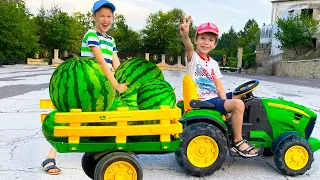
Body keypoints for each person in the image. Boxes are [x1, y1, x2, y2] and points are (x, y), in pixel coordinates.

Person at [41, 0, 128, 175]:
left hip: (105, 88)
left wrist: (125, 80)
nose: (105, 19)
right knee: (70, 122)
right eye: (102, 16)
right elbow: (101, 62)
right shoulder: (91, 35)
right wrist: (115, 84)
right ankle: (50, 156)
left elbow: (115, 63)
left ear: (113, 18)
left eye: (109, 16)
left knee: (106, 120)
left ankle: (103, 153)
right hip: (87, 86)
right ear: (93, 16)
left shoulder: (110, 40)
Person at [180, 14, 259, 158]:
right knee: (239, 104)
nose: (206, 43)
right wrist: (185, 36)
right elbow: (189, 47)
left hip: (215, 97)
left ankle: (234, 121)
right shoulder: (193, 59)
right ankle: (237, 141)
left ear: (215, 44)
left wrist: (226, 107)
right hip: (204, 101)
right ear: (196, 39)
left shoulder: (213, 63)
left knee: (240, 95)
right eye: (202, 38)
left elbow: (219, 86)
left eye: (210, 40)